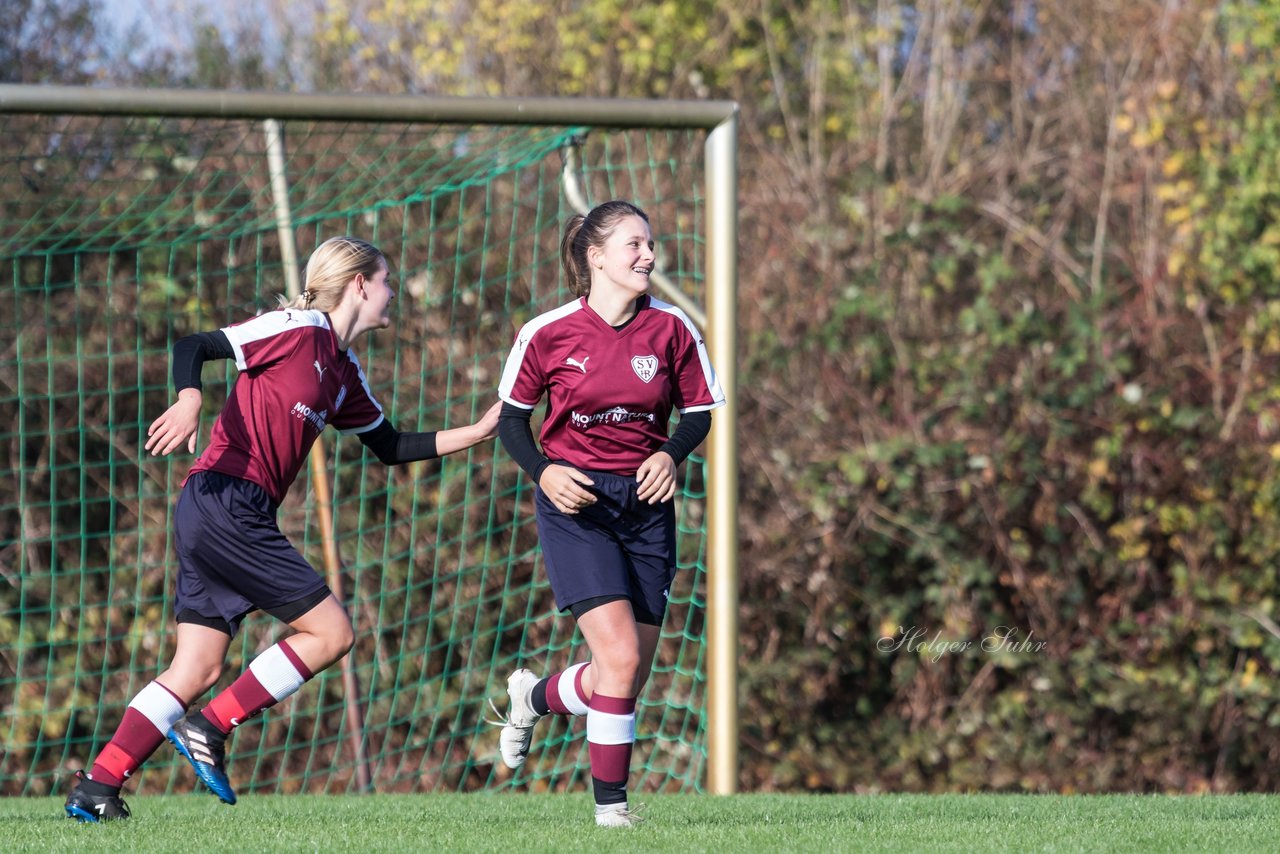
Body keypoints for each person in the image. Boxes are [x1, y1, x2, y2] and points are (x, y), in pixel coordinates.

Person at [64, 236, 501, 822]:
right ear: (359, 284)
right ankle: (211, 728)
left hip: (221, 511)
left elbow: (391, 446)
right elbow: (194, 344)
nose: (393, 291)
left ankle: (98, 784)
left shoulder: (344, 372)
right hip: (224, 500)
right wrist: (190, 397)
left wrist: (475, 432)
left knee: (198, 667)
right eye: (387, 279)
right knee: (332, 634)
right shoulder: (295, 328)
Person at [489, 200, 725, 828]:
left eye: (651, 243)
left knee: (625, 676)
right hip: (578, 507)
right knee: (618, 660)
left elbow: (700, 410)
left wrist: (672, 454)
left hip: (646, 507)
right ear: (596, 257)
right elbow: (512, 422)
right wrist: (545, 471)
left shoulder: (673, 329)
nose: (648, 255)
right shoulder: (547, 332)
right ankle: (612, 816)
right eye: (634, 244)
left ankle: (533, 698)